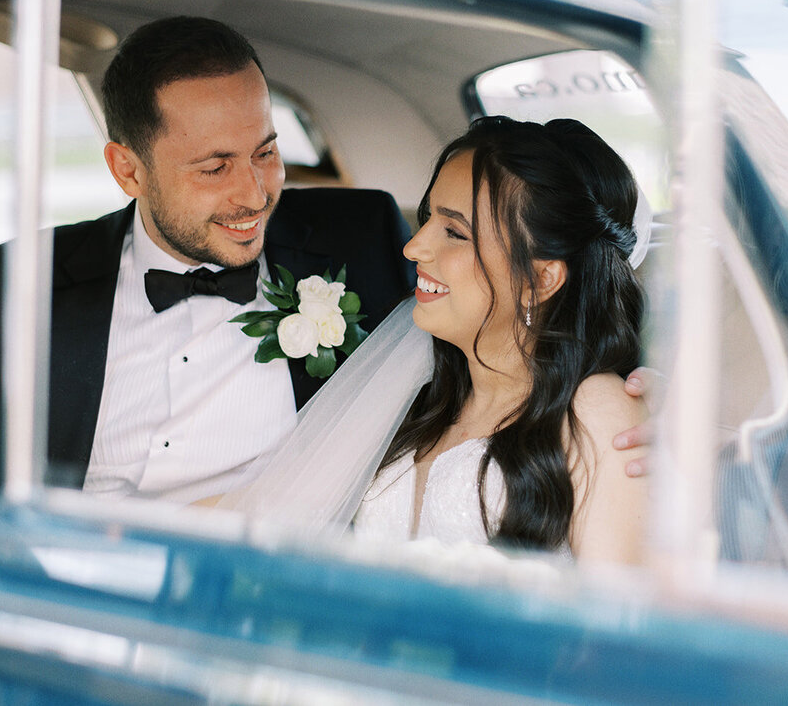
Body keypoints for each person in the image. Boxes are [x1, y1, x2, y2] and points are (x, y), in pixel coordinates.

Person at [0, 16, 417, 668]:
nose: (254, 193)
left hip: (270, 631)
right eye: (215, 166)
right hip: (66, 625)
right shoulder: (33, 279)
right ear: (126, 170)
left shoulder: (360, 240)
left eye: (266, 152)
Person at [220, 116, 650, 563]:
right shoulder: (417, 396)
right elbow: (263, 510)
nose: (413, 247)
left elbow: (620, 621)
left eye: (455, 233)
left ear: (540, 279)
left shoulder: (600, 412)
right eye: (427, 219)